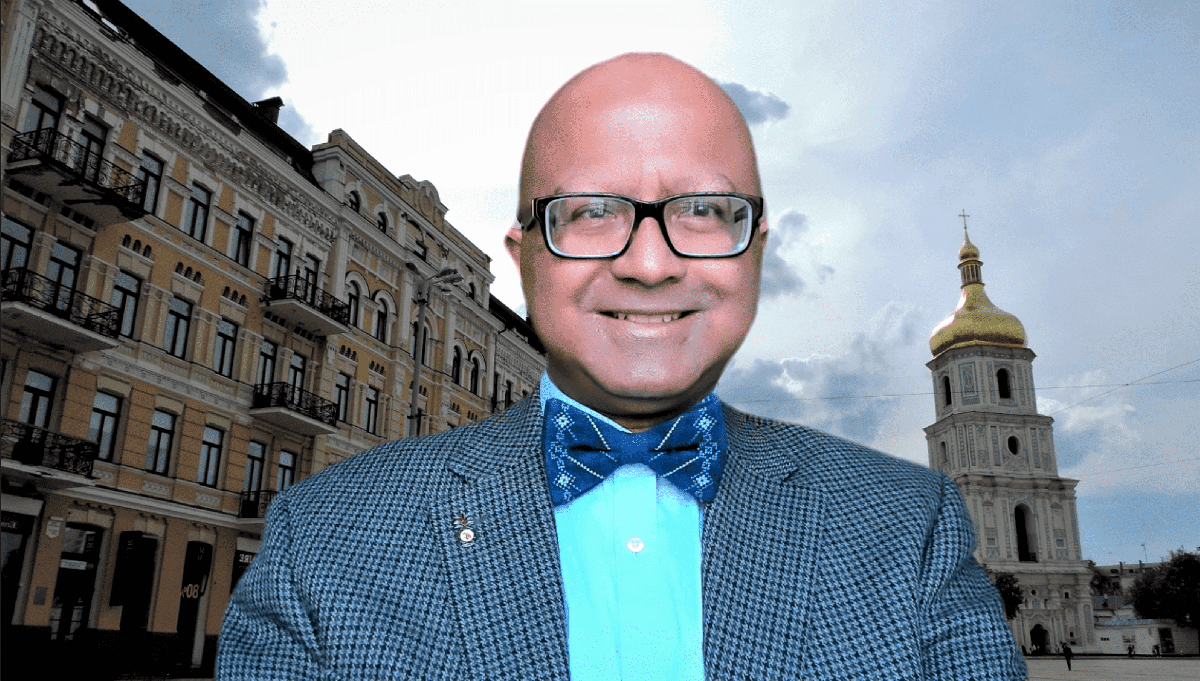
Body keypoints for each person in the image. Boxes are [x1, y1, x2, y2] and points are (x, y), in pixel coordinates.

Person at [217, 53, 1026, 680]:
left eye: (703, 211)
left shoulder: (908, 528)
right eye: (590, 212)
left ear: (755, 255)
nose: (647, 263)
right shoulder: (322, 538)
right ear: (524, 261)